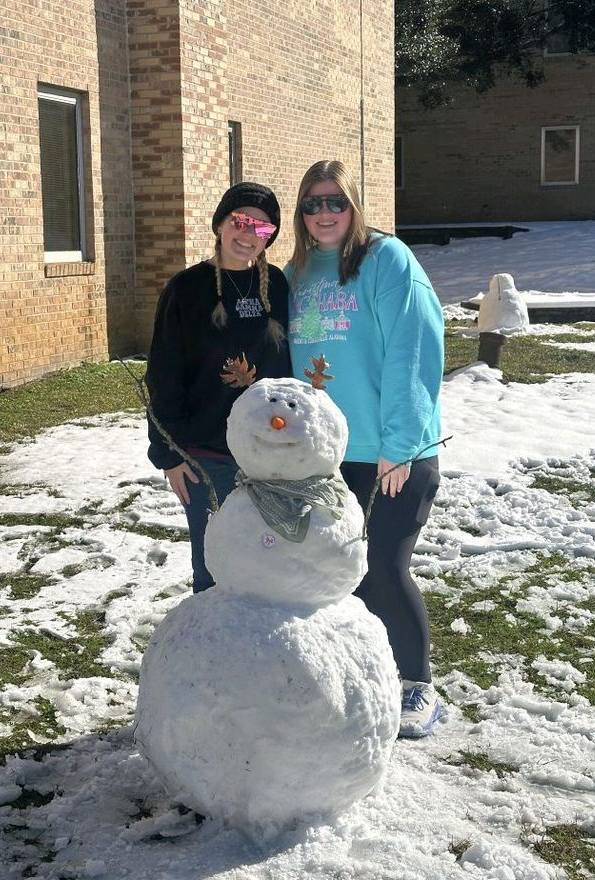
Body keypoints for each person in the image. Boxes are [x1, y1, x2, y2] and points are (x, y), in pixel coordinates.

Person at [286, 160, 444, 737]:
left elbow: (414, 351)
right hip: (328, 454)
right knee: (339, 571)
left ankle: (417, 686)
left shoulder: (386, 259)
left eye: (335, 201)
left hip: (390, 451)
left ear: (354, 205)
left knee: (383, 566)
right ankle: (366, 672)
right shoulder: (298, 272)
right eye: (312, 203)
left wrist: (401, 444)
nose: (323, 213)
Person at [146, 182, 292, 592]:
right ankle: (212, 652)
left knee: (269, 561)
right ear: (221, 224)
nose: (249, 235)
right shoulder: (187, 289)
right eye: (241, 221)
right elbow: (164, 372)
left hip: (271, 455)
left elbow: (292, 366)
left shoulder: (277, 286)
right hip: (207, 455)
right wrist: (168, 453)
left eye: (263, 229)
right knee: (214, 568)